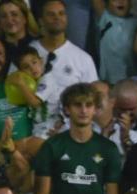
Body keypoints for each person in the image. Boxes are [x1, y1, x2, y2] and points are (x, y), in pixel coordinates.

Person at [34, 83, 122, 194]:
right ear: (67, 109)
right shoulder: (52, 146)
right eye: (77, 105)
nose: (83, 110)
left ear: (96, 108)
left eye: (89, 105)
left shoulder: (108, 149)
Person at [31, 0, 99, 137]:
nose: (57, 17)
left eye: (61, 13)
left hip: (72, 134)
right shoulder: (27, 53)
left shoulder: (83, 59)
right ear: (40, 21)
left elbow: (93, 101)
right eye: (51, 14)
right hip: (34, 131)